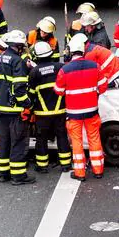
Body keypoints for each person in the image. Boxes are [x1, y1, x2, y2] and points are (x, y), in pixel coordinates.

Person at [54, 34, 107, 181]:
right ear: (83, 51)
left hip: (73, 113)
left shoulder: (65, 70)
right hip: (91, 110)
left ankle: (80, 173)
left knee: (76, 142)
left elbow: (58, 91)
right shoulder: (95, 66)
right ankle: (98, 170)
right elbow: (103, 86)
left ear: (71, 52)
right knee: (94, 139)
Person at [0, 30, 35, 185]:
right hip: (15, 111)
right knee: (18, 143)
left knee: (5, 142)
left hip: (0, 108)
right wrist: (27, 104)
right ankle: (18, 176)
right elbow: (20, 88)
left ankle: (4, 173)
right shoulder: (18, 61)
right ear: (19, 46)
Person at [28, 41, 71, 173]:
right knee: (62, 136)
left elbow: (31, 94)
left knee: (41, 139)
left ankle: (42, 166)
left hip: (42, 114)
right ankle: (65, 164)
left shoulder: (34, 73)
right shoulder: (60, 67)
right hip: (60, 111)